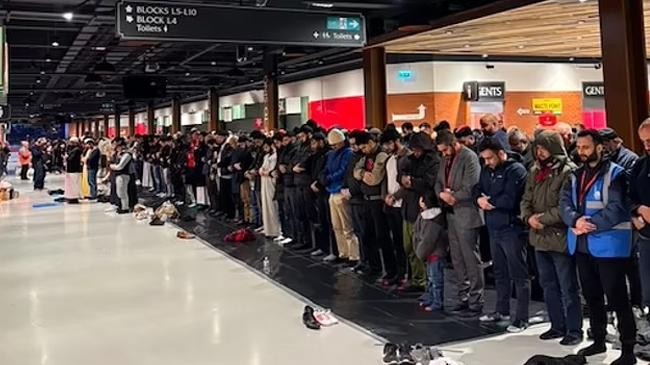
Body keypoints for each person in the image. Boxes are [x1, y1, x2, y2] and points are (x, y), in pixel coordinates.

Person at [559, 129, 636, 365]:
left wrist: (588, 224)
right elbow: (564, 203)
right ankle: (598, 339)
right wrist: (574, 221)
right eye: (579, 147)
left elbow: (617, 209)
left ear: (600, 147)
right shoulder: (575, 175)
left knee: (618, 299)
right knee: (592, 298)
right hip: (582, 246)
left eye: (586, 147)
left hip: (610, 247)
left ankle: (628, 350)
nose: (581, 152)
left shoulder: (617, 174)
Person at [521, 130, 582, 345]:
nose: (540, 152)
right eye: (537, 148)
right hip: (538, 237)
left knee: (568, 287)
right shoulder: (534, 170)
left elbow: (566, 206)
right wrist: (528, 218)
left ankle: (574, 329)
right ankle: (557, 325)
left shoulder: (569, 171)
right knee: (548, 285)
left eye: (543, 148)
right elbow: (526, 198)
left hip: (560, 237)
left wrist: (542, 219)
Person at [473, 137, 529, 332]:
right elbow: (477, 188)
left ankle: (521, 318)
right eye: (484, 159)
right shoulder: (487, 170)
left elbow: (511, 198)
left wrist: (490, 201)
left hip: (512, 228)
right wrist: (479, 199)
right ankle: (501, 310)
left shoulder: (516, 170)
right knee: (499, 272)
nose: (487, 162)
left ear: (500, 153)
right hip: (493, 227)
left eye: (489, 158)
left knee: (519, 274)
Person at [435, 130, 485, 317]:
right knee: (457, 258)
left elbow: (471, 186)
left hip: (467, 213)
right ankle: (463, 297)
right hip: (451, 214)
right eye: (441, 151)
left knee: (470, 258)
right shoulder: (444, 159)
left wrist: (452, 196)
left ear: (454, 144)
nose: (444, 153)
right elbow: (438, 182)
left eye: (446, 149)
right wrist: (442, 194)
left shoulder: (469, 157)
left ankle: (476, 300)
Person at [387, 131, 439, 292]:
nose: (415, 153)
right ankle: (416, 278)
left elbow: (430, 183)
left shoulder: (433, 161)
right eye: (414, 149)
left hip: (423, 209)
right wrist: (402, 183)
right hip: (407, 208)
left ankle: (423, 282)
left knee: (422, 248)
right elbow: (401, 177)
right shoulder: (408, 160)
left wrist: (412, 182)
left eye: (418, 150)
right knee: (408, 247)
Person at [354, 131, 398, 283]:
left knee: (383, 237)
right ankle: (374, 266)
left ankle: (390, 270)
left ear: (371, 142)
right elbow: (356, 171)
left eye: (365, 147)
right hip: (366, 200)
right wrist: (363, 174)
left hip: (378, 201)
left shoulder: (381, 155)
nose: (363, 150)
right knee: (367, 235)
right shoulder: (365, 156)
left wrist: (362, 174)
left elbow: (375, 179)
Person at [324, 129, 360, 266]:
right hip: (332, 191)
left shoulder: (348, 154)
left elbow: (343, 171)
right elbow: (328, 168)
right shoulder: (332, 154)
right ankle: (343, 253)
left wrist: (328, 178)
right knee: (337, 226)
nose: (334, 147)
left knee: (347, 226)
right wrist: (325, 177)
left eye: (336, 144)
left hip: (341, 191)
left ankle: (353, 255)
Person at [381, 128, 410, 287]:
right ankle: (398, 273)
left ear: (396, 141)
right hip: (390, 204)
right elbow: (386, 179)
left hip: (402, 205)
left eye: (388, 144)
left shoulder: (407, 157)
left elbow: (407, 183)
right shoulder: (389, 159)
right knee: (396, 242)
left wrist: (396, 196)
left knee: (404, 243)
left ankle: (406, 274)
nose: (386, 147)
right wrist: (385, 195)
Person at [413, 192, 448, 312]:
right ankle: (431, 298)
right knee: (430, 279)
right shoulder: (424, 216)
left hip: (435, 255)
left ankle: (437, 302)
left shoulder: (433, 220)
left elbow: (428, 240)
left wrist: (420, 252)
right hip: (429, 255)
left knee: (436, 280)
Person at [631, 119, 650, 317]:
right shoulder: (640, 165)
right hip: (646, 238)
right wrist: (637, 212)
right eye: (643, 141)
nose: (647, 145)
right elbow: (629, 197)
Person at [259, 138, 281, 239]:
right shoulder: (266, 156)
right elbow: (261, 168)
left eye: (267, 147)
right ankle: (268, 229)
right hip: (264, 182)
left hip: (271, 183)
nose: (265, 149)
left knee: (272, 206)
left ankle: (275, 230)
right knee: (265, 205)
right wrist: (263, 172)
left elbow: (272, 171)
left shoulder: (275, 157)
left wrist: (266, 172)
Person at [110, 139, 134, 214]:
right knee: (119, 192)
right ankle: (122, 206)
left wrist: (112, 166)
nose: (117, 149)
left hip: (124, 175)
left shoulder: (127, 154)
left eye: (118, 147)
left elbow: (120, 166)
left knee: (122, 192)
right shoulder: (120, 154)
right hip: (119, 174)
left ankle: (125, 207)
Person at [64, 137, 83, 204]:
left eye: (71, 142)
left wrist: (67, 157)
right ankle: (70, 197)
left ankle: (74, 197)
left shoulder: (77, 150)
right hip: (70, 169)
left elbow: (71, 159)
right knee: (70, 185)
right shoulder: (72, 149)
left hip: (74, 169)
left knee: (74, 184)